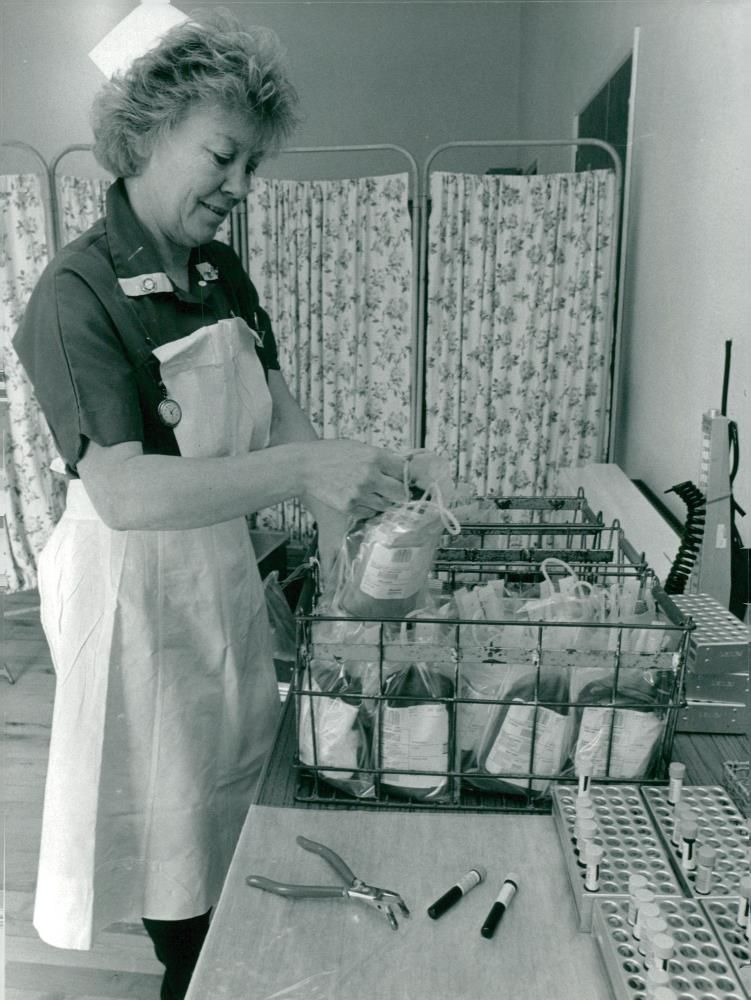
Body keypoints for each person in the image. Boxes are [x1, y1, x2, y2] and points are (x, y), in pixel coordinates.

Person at [13, 14, 405, 1000]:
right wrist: (302, 477)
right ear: (145, 132)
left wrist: (347, 555)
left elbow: (284, 422)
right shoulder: (77, 291)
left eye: (250, 166)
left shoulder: (220, 270)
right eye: (223, 156)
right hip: (134, 600)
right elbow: (126, 490)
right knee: (169, 845)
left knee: (231, 811)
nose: (239, 187)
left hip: (217, 582)